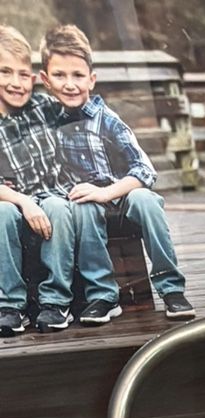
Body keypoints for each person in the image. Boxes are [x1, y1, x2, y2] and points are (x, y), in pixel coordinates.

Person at [40, 22, 194, 320]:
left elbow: (145, 170)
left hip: (119, 196)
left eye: (78, 75)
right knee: (83, 206)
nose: (69, 84)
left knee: (146, 201)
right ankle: (104, 296)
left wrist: (105, 192)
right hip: (83, 206)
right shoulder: (47, 120)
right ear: (46, 80)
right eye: (59, 75)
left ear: (92, 80)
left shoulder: (106, 119)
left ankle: (172, 288)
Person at [0, 22, 108, 333]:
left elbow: (81, 104)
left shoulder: (44, 107)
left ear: (35, 79)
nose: (16, 82)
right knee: (3, 213)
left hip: (51, 195)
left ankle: (55, 302)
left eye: (23, 74)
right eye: (5, 72)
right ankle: (10, 305)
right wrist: (22, 201)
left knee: (60, 208)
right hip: (11, 200)